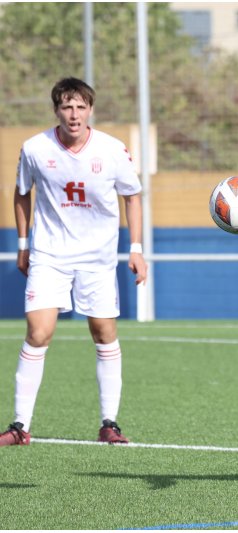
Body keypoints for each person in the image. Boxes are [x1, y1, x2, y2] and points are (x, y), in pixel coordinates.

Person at [0, 77, 147, 447]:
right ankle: (19, 426)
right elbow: (21, 193)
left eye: (81, 107)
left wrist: (137, 248)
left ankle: (109, 424)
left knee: (103, 333)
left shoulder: (112, 150)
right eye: (67, 106)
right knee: (38, 332)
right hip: (50, 254)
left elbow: (132, 196)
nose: (74, 114)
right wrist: (22, 243)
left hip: (97, 258)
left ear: (91, 110)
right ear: (57, 110)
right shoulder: (35, 148)